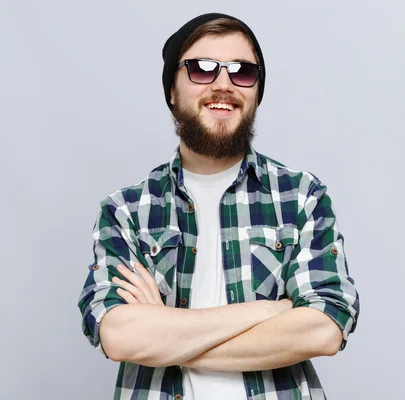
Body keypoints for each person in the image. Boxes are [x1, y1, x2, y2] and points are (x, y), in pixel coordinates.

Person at [77, 12, 359, 400]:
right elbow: (119, 337)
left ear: (256, 92)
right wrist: (268, 311)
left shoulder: (301, 196)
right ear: (172, 91)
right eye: (201, 69)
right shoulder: (127, 211)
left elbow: (324, 329)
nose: (223, 84)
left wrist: (166, 331)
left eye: (242, 72)